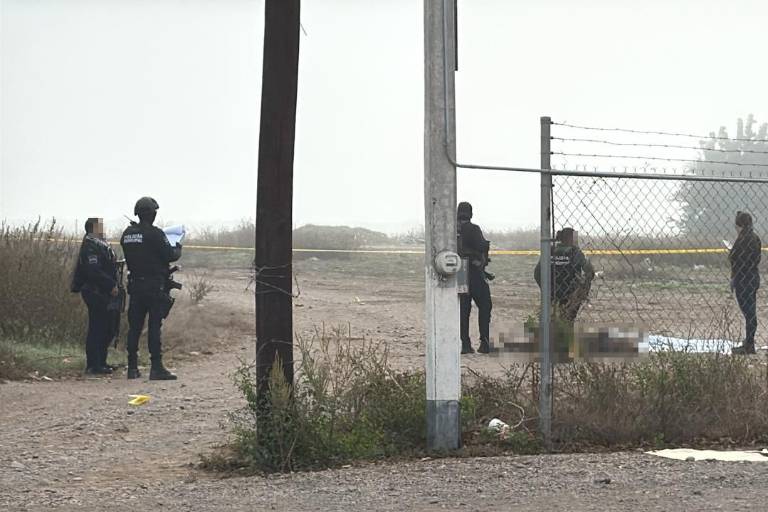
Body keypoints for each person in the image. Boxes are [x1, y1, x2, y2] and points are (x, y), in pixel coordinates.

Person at [120, 197, 182, 379]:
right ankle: (156, 367)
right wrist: (178, 247)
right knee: (154, 326)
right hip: (154, 286)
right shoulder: (155, 233)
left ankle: (132, 367)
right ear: (152, 213)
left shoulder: (127, 234)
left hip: (135, 285)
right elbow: (170, 255)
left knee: (135, 327)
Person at [71, 217, 119, 375]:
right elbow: (93, 271)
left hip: (104, 291)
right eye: (100, 226)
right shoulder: (90, 246)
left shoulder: (102, 245)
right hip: (95, 291)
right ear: (92, 228)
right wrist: (110, 285)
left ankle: (102, 362)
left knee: (108, 327)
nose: (103, 229)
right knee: (97, 327)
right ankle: (93, 365)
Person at [535, 227, 595, 323]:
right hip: (570, 294)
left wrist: (546, 289)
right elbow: (589, 271)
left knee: (549, 320)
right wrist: (583, 289)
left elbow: (537, 273)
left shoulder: (550, 250)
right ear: (570, 238)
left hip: (551, 292)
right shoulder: (575, 252)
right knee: (567, 321)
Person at [457, 201, 493, 354]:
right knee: (485, 305)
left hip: (460, 272)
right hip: (473, 272)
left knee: (463, 309)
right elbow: (481, 246)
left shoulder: (453, 230)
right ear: (471, 214)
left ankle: (465, 344)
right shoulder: (473, 229)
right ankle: (484, 343)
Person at [729, 211, 761, 355]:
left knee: (748, 312)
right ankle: (749, 341)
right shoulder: (755, 238)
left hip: (743, 279)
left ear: (739, 225)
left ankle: (749, 344)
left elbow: (735, 259)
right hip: (753, 277)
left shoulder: (742, 239)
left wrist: (734, 277)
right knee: (750, 311)